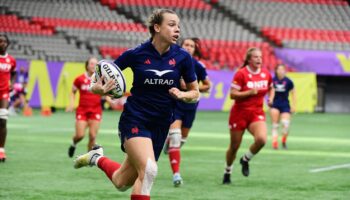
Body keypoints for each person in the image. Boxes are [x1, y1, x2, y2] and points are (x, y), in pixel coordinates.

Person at [74, 9, 199, 200]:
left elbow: (195, 92)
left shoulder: (183, 57)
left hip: (161, 124)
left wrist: (182, 94)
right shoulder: (136, 54)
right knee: (149, 171)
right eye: (172, 25)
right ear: (157, 27)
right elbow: (99, 78)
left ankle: (96, 158)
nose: (178, 30)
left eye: (178, 26)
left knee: (122, 182)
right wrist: (97, 89)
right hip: (135, 119)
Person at [223, 47, 274, 184]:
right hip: (239, 114)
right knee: (234, 147)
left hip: (256, 113)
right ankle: (227, 171)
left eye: (260, 57)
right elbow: (233, 94)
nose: (259, 59)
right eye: (256, 57)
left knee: (262, 139)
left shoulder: (265, 73)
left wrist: (270, 98)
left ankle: (245, 159)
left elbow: (271, 87)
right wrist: (249, 92)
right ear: (249, 60)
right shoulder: (241, 74)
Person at [164, 37, 211, 186]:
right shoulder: (173, 62)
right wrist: (177, 85)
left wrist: (193, 88)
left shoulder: (198, 66)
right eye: (186, 45)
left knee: (182, 139)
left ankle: (169, 143)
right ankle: (176, 174)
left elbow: (207, 86)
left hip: (190, 106)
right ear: (181, 46)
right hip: (175, 104)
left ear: (195, 49)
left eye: (192, 46)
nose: (189, 47)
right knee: (176, 137)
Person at [66, 57, 112, 157]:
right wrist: (71, 104)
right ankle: (73, 144)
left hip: (96, 110)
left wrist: (110, 100)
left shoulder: (100, 80)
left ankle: (88, 157)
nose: (93, 66)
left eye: (96, 64)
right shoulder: (79, 79)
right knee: (80, 135)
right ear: (87, 65)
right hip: (82, 111)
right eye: (91, 64)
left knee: (92, 136)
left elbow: (104, 93)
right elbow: (73, 92)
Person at [270, 64, 296, 149]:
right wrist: (270, 99)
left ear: (285, 71)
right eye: (279, 69)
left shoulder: (288, 81)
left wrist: (294, 105)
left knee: (286, 124)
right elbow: (270, 91)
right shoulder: (273, 80)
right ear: (276, 71)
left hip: (285, 105)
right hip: (275, 105)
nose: (281, 71)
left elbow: (293, 93)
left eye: (282, 69)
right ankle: (275, 143)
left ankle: (284, 141)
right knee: (275, 125)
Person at [0, 34, 16, 162]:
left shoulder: (11, 60)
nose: (3, 43)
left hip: (4, 93)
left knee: (3, 120)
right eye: (0, 41)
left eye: (5, 41)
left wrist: (12, 83)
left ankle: (1, 150)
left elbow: (14, 72)